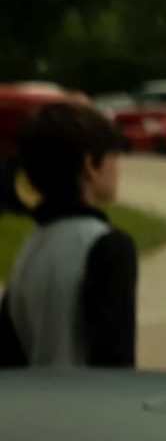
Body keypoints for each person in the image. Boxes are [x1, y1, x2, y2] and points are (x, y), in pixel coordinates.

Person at [0, 101, 136, 368]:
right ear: (90, 165)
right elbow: (115, 362)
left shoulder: (29, 250)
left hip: (34, 406)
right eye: (114, 155)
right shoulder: (107, 246)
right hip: (87, 406)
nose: (119, 166)